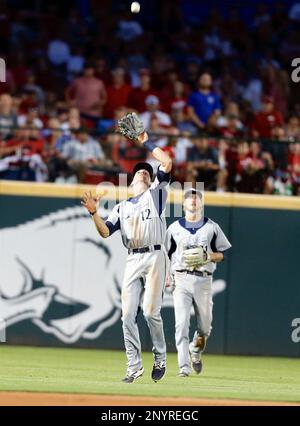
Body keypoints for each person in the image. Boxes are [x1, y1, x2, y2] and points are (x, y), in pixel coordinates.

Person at [81, 123, 172, 383]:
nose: (143, 174)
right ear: (131, 182)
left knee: (150, 312)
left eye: (146, 172)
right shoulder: (121, 207)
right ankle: (134, 367)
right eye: (139, 173)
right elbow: (105, 232)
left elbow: (166, 162)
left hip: (155, 255)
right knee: (127, 314)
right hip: (133, 258)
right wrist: (93, 213)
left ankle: (161, 357)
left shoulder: (156, 195)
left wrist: (145, 140)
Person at [165, 189, 231, 377]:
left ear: (201, 204)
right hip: (181, 278)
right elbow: (165, 254)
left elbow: (222, 255)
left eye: (196, 198)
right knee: (181, 324)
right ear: (183, 205)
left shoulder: (212, 227)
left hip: (204, 280)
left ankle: (196, 349)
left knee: (205, 328)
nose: (193, 200)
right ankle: (183, 368)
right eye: (189, 198)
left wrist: (208, 256)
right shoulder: (174, 228)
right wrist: (166, 275)